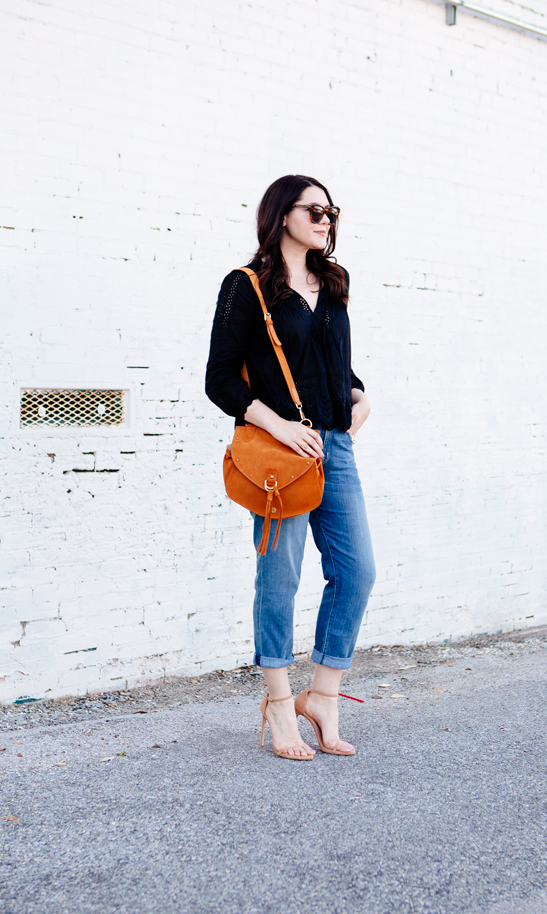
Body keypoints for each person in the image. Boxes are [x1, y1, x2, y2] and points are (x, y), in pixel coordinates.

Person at [205, 174, 375, 760]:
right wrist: (278, 425)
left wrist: (358, 397)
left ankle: (322, 695)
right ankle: (279, 705)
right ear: (282, 216)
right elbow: (220, 379)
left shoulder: (333, 283)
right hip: (281, 453)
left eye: (332, 212)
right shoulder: (246, 286)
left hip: (336, 448)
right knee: (279, 578)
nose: (327, 220)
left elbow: (334, 364)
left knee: (358, 572)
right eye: (315, 210)